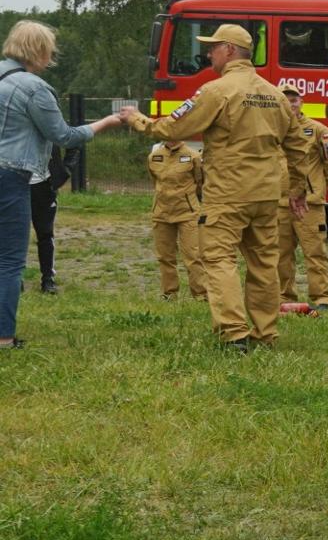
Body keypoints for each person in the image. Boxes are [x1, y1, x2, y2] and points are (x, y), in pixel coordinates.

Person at [119, 24, 317, 353]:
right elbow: (298, 147)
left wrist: (138, 120)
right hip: (267, 195)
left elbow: (173, 127)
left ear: (229, 50)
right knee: (264, 263)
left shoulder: (216, 91)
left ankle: (234, 333)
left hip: (228, 194)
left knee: (218, 259)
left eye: (213, 47)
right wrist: (296, 189)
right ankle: (265, 334)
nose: (208, 53)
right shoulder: (276, 95)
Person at [1, 20, 125, 348]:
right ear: (39, 51)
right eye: (50, 50)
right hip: (10, 175)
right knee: (9, 260)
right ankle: (4, 337)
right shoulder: (34, 88)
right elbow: (64, 135)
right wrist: (106, 122)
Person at [276, 83, 328, 310]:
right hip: (280, 203)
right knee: (281, 254)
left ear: (301, 102)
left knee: (315, 251)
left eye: (294, 99)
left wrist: (317, 189)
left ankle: (322, 297)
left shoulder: (318, 130)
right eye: (285, 100)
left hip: (309, 205)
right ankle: (285, 297)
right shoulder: (272, 131)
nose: (290, 104)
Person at [148, 139, 208, 300]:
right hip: (161, 213)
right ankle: (169, 294)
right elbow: (155, 181)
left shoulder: (193, 156)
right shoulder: (154, 156)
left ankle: (201, 294)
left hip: (187, 213)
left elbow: (200, 182)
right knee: (165, 256)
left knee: (193, 255)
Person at [28, 146, 72, 294]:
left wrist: (65, 170)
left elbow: (73, 139)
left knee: (45, 233)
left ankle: (48, 279)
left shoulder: (48, 129)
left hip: (43, 185)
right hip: (14, 184)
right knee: (12, 234)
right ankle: (15, 279)